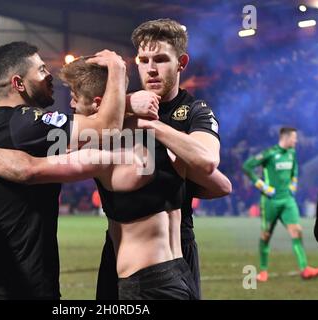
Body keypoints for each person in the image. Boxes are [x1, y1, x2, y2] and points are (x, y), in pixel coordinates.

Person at [0, 56, 231, 299]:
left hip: (145, 283)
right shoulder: (163, 141)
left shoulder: (104, 154)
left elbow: (29, 169)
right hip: (180, 270)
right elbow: (222, 185)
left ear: (97, 104)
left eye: (74, 96)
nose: (69, 105)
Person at [0, 41, 137, 300]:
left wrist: (129, 103)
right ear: (18, 83)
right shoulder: (25, 123)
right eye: (41, 70)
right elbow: (107, 126)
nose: (49, 75)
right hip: (15, 286)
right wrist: (118, 70)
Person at [95, 18, 227, 300]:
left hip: (177, 244)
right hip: (120, 245)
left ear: (181, 62)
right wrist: (128, 104)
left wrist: (152, 125)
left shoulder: (194, 111)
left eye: (161, 59)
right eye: (144, 60)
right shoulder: (118, 106)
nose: (151, 68)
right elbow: (82, 120)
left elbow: (207, 160)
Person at [243, 127, 318, 281]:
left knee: (297, 232)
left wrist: (294, 183)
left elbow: (295, 169)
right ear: (285, 138)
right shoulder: (270, 153)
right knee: (266, 235)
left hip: (287, 200)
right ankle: (263, 271)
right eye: (294, 138)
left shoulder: (292, 153)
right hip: (271, 202)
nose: (296, 140)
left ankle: (304, 269)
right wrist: (263, 186)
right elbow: (247, 166)